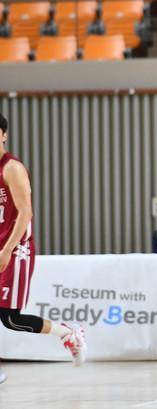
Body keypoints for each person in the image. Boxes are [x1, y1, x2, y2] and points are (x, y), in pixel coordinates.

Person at [0, 112, 86, 383]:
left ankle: (68, 333)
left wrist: (6, 250)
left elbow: (25, 212)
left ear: (3, 135)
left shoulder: (11, 168)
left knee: (10, 319)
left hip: (16, 249)